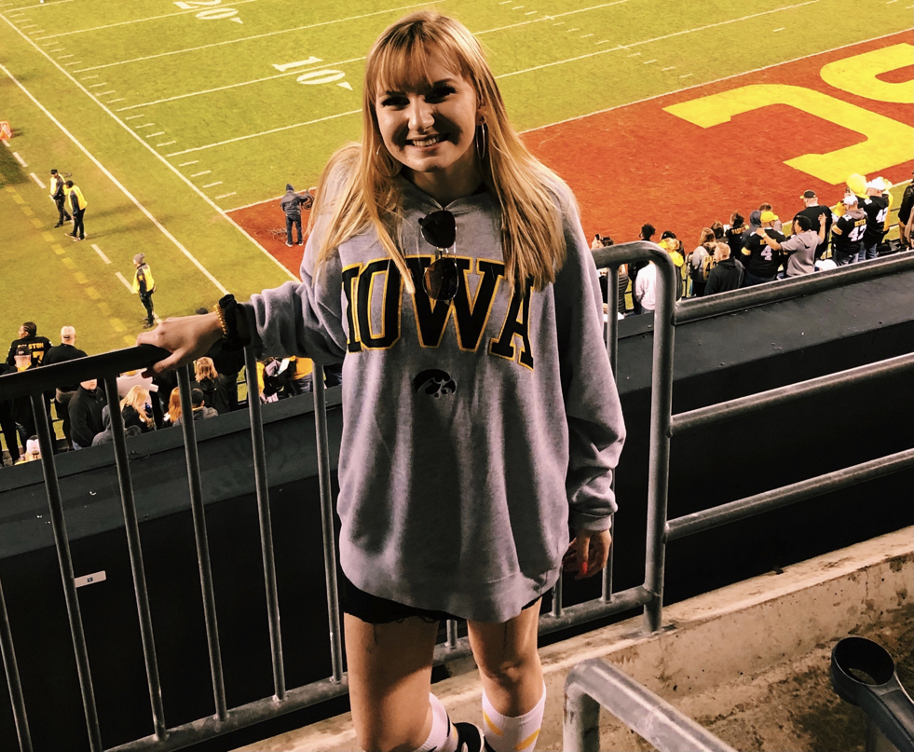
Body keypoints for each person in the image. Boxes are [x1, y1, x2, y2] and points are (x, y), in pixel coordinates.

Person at [139, 12, 625, 752]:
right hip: (389, 508)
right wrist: (225, 325)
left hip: (505, 508)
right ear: (373, 111)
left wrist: (593, 500)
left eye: (439, 93)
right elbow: (323, 318)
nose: (418, 119)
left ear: (481, 95)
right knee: (387, 742)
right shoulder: (351, 191)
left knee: (508, 669)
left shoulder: (540, 206)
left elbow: (585, 366)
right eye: (394, 101)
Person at [44, 325, 88, 450]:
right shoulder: (80, 355)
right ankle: (81, 446)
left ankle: (70, 445)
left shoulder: (52, 352)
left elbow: (44, 373)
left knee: (67, 420)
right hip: (78, 395)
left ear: (61, 337)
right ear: (75, 337)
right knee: (80, 421)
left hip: (61, 395)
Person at [757, 213, 825, 278]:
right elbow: (821, 238)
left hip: (795, 275)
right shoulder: (813, 236)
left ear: (800, 228)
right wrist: (822, 225)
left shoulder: (797, 241)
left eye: (795, 225)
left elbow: (777, 247)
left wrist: (764, 235)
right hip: (809, 271)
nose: (794, 226)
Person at [741, 210, 785, 286]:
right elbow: (785, 254)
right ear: (770, 223)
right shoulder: (780, 236)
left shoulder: (753, 236)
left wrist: (750, 267)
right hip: (770, 273)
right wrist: (776, 264)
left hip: (754, 273)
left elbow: (744, 256)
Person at [68, 379, 106, 449]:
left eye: (94, 378)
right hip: (85, 445)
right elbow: (79, 427)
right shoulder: (76, 402)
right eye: (88, 379)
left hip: (99, 439)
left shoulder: (99, 391)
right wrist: (96, 442)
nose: (92, 381)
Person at [831, 194, 866, 266]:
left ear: (848, 206)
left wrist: (834, 222)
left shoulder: (845, 219)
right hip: (857, 247)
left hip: (844, 249)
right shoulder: (864, 215)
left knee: (842, 269)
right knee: (854, 267)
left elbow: (835, 232)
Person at [859, 178, 889, 261]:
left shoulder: (871, 204)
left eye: (870, 188)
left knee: (861, 255)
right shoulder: (885, 199)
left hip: (868, 233)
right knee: (872, 252)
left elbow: (857, 206)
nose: (867, 189)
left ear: (877, 191)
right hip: (877, 231)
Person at [797, 190, 832, 260]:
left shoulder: (801, 215)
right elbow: (834, 221)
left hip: (808, 248)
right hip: (823, 245)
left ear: (806, 200)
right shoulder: (826, 209)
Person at [134, 253, 157, 328]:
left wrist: (143, 294)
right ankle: (151, 315)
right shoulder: (146, 266)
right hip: (150, 287)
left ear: (137, 262)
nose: (133, 261)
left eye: (134, 260)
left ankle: (150, 322)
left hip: (146, 290)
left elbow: (142, 284)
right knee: (150, 303)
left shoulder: (140, 272)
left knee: (148, 306)